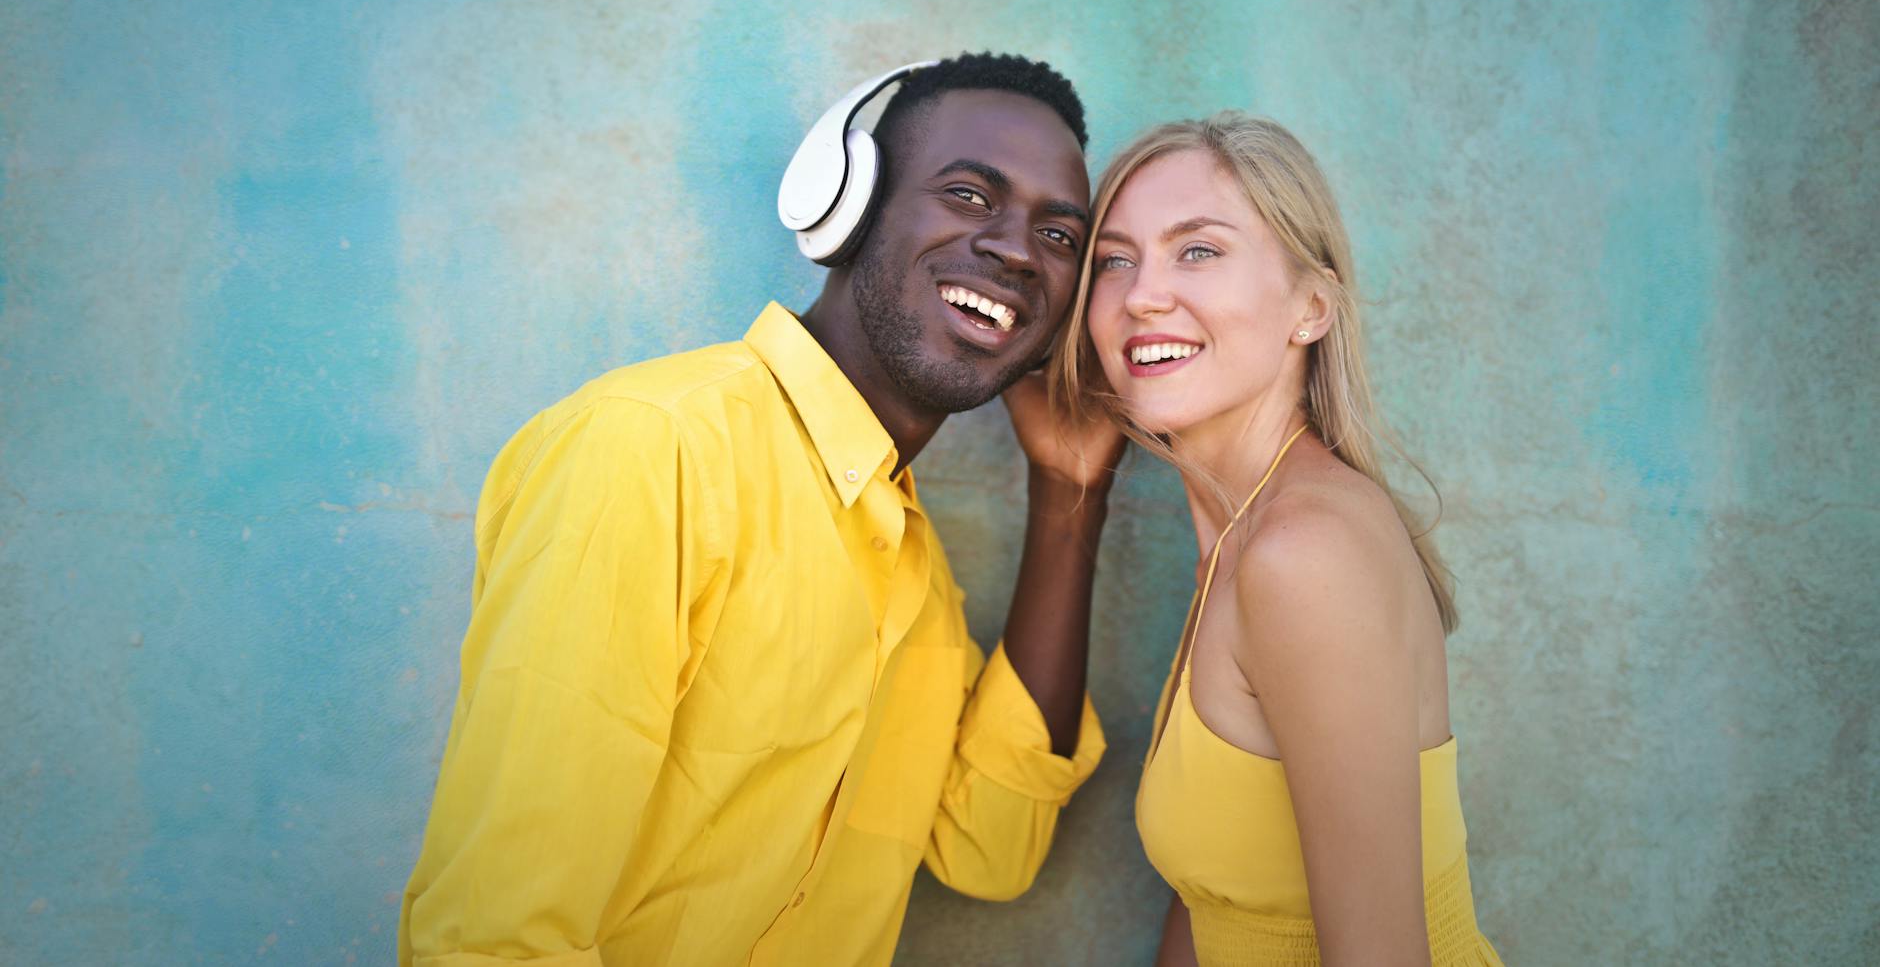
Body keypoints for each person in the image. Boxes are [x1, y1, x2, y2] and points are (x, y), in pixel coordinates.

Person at [400, 53, 1117, 967]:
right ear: (847, 207)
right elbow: (495, 938)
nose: (1018, 249)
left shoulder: (912, 566)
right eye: (971, 195)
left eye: (1059, 236)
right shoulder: (654, 451)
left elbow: (991, 846)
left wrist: (1070, 491)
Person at [1052, 113, 1501, 966]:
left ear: (1311, 308)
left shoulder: (1303, 556)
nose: (1142, 293)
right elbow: (1213, 906)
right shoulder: (1239, 529)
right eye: (1115, 259)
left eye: (1198, 250)